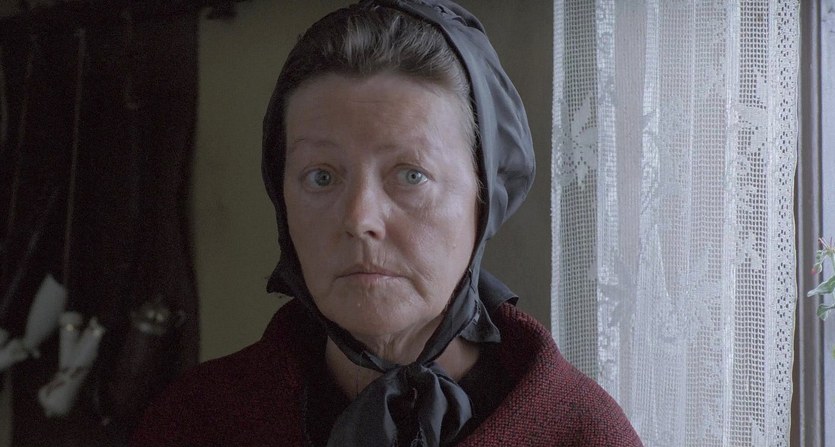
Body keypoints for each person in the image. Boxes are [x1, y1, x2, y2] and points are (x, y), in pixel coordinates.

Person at [131, 1, 643, 446]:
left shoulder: (584, 433)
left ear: (484, 196)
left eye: (411, 175)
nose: (359, 220)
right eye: (321, 177)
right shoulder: (195, 422)